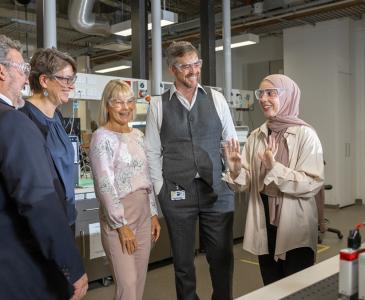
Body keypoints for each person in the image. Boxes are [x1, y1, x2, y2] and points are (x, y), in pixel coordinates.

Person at [145, 41, 237, 300]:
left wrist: (231, 177)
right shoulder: (158, 105)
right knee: (183, 264)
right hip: (177, 192)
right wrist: (161, 190)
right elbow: (152, 152)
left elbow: (229, 142)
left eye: (196, 64)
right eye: (186, 66)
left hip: (217, 191)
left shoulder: (216, 98)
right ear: (172, 69)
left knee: (222, 259)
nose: (194, 70)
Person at [0, 35, 88, 299]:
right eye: (22, 70)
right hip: (25, 253)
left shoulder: (57, 118)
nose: (25, 79)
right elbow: (37, 200)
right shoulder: (16, 122)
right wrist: (70, 265)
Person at [224, 74, 324, 285]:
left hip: (296, 222)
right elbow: (247, 182)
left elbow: (312, 182)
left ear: (288, 97)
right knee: (271, 284)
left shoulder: (306, 135)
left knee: (298, 287)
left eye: (271, 93)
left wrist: (274, 168)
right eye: (261, 93)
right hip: (265, 219)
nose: (263, 98)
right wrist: (235, 171)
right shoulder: (256, 136)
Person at [89, 79, 161, 300]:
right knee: (127, 286)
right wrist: (121, 226)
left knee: (138, 282)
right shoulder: (101, 137)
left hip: (143, 215)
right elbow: (105, 184)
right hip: (119, 217)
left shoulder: (138, 136)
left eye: (130, 101)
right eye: (118, 102)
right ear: (108, 105)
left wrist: (153, 214)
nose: (126, 107)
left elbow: (146, 178)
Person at [19, 48, 78, 231]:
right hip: (43, 221)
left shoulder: (57, 116)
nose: (71, 86)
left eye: (72, 79)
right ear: (44, 80)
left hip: (66, 215)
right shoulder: (24, 118)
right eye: (66, 79)